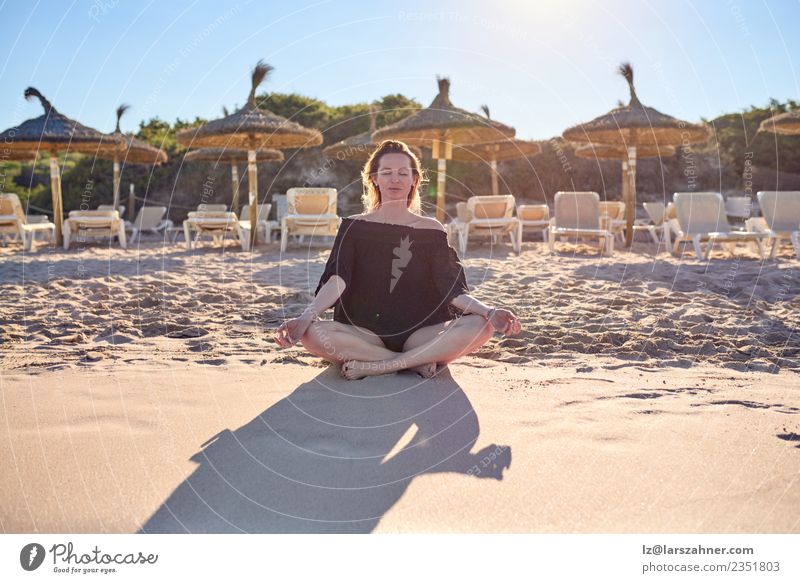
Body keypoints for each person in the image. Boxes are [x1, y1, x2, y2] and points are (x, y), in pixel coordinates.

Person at [274, 140, 522, 380]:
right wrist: (306, 317)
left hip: (421, 333)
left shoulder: (431, 229)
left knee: (482, 326)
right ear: (374, 178)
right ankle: (413, 362)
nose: (395, 179)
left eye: (403, 173)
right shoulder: (353, 226)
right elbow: (338, 279)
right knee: (312, 333)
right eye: (387, 172)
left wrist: (489, 311)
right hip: (364, 334)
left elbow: (451, 288)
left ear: (414, 179)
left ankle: (382, 365)